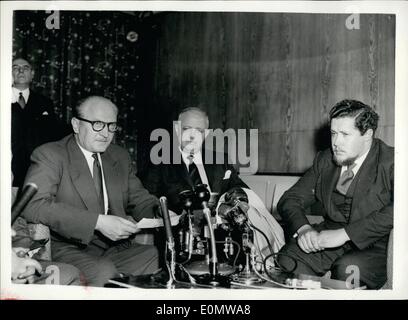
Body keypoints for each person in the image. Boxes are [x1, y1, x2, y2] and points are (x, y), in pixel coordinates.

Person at [21, 96, 160, 287]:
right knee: (104, 271)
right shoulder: (51, 154)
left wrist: (162, 212)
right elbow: (33, 205)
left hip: (112, 247)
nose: (105, 133)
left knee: (151, 255)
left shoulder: (119, 156)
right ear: (76, 125)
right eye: (97, 124)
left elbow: (139, 198)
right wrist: (97, 222)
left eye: (111, 126)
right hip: (65, 245)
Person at [277, 99, 393, 289]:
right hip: (328, 237)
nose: (336, 143)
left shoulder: (391, 162)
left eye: (345, 134)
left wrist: (346, 234)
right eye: (333, 133)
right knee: (288, 259)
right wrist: (304, 229)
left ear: (367, 135)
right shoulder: (324, 160)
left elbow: (400, 209)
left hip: (375, 243)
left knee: (347, 270)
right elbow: (290, 199)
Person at [142, 107, 248, 214]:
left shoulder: (221, 160)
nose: (192, 136)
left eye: (199, 130)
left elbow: (241, 190)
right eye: (186, 128)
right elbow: (146, 201)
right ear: (177, 129)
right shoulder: (159, 162)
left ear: (206, 134)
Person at [11, 57, 70, 189]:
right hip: (7, 171)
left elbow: (55, 133)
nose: (20, 71)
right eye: (15, 68)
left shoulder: (44, 102)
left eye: (25, 68)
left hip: (34, 173)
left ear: (32, 74)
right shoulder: (2, 97)